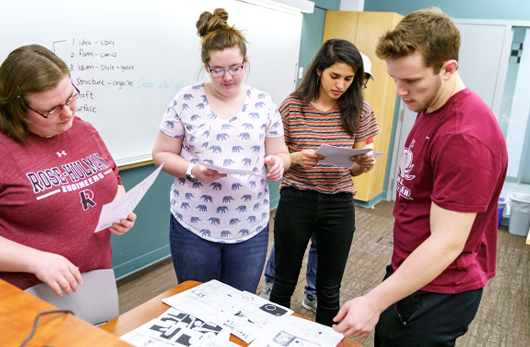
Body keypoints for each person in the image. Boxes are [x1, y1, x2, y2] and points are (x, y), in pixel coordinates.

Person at [332, 8, 508, 346]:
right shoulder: (431, 105)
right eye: (395, 79)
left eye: (411, 80)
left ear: (448, 69)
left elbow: (448, 243)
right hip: (414, 271)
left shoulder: (464, 136)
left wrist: (373, 301)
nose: (400, 91)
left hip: (439, 288)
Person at [0, 44, 137, 297]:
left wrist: (120, 209)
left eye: (71, 98)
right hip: (20, 295)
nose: (67, 113)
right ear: (15, 108)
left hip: (93, 281)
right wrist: (35, 260)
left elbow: (112, 180)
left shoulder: (84, 131)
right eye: (50, 109)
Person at [152, 8, 290, 293]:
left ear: (245, 63)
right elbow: (161, 154)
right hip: (193, 225)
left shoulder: (263, 103)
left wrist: (278, 163)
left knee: (240, 306)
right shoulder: (186, 100)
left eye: (235, 68)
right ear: (206, 66)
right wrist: (192, 170)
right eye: (218, 70)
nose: (228, 77)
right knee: (195, 303)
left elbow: (282, 153)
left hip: (250, 224)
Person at [269, 39, 379, 327]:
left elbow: (355, 167)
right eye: (334, 76)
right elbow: (276, 158)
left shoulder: (361, 111)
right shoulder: (292, 107)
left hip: (339, 204)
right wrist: (295, 157)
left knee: (329, 291)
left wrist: (362, 164)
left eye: (348, 79)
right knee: (283, 283)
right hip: (297, 200)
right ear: (319, 70)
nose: (340, 85)